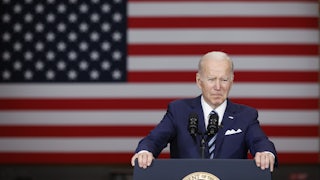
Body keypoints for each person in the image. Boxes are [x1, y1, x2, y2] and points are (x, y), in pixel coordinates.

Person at [131, 51, 277, 172]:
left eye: (224, 80)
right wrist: (145, 152)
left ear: (232, 81)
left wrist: (265, 153)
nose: (218, 87)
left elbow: (260, 142)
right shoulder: (179, 111)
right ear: (199, 80)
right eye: (212, 79)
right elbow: (153, 140)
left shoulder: (245, 115)